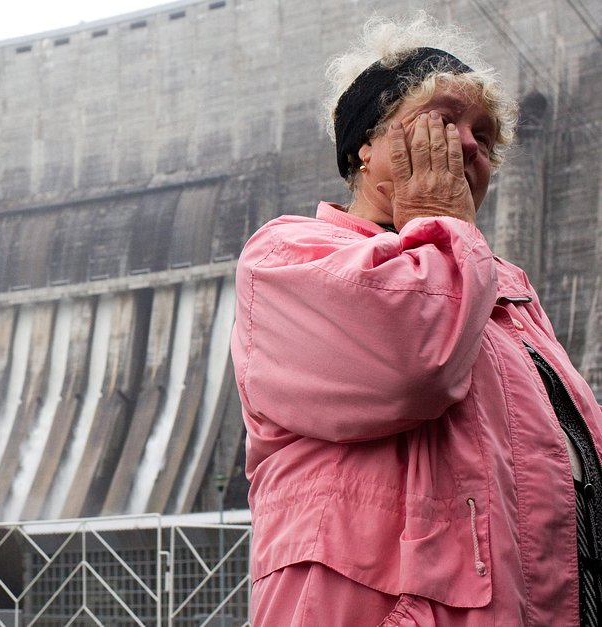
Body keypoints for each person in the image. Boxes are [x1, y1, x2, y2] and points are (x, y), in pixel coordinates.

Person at [230, 12, 602, 626]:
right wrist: (436, 216)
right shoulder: (287, 258)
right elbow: (414, 360)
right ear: (365, 147)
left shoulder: (509, 301)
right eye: (443, 119)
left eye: (484, 135)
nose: (468, 144)